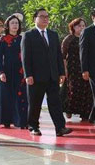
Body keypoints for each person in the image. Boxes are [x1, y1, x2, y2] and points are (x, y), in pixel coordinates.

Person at [22, 8, 72, 137]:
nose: (45, 19)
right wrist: (28, 75)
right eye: (42, 16)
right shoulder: (29, 35)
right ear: (35, 19)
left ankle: (60, 127)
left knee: (55, 103)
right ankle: (33, 126)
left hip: (52, 75)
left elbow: (58, 55)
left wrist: (61, 72)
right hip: (36, 77)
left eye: (47, 16)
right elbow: (25, 57)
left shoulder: (53, 34)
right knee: (35, 103)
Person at [0, 14, 28, 129]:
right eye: (12, 23)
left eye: (17, 23)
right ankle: (6, 120)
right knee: (6, 97)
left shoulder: (22, 39)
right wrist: (1, 72)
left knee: (21, 96)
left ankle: (21, 121)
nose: (15, 25)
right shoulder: (3, 39)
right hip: (7, 72)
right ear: (7, 25)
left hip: (20, 71)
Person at [61, 18, 93, 122]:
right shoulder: (69, 39)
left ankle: (85, 114)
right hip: (73, 69)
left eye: (83, 26)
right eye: (79, 26)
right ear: (73, 27)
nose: (81, 28)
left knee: (87, 91)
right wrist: (64, 70)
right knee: (73, 90)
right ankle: (69, 110)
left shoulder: (87, 38)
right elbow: (63, 56)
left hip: (85, 68)